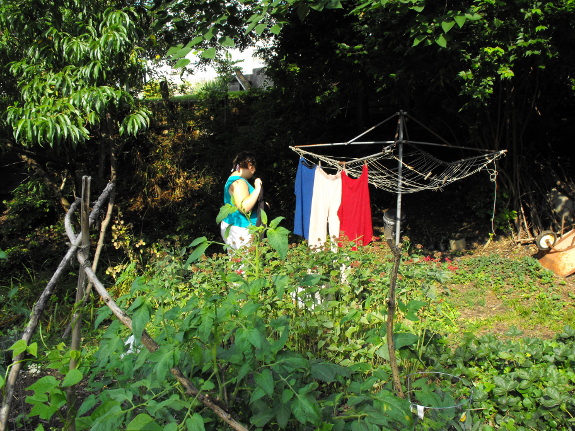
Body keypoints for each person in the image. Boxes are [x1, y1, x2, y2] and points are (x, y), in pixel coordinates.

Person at [220, 151, 262, 250]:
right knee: (244, 263)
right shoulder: (239, 182)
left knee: (236, 262)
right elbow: (244, 207)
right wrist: (257, 188)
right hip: (241, 229)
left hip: (234, 226)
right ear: (250, 166)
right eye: (253, 168)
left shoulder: (232, 179)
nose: (253, 172)